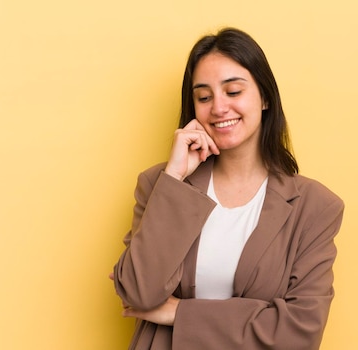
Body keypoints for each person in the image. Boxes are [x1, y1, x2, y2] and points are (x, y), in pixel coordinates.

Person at [111, 27, 344, 350]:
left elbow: (300, 332)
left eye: (233, 92)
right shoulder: (160, 185)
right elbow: (138, 292)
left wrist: (180, 313)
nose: (219, 108)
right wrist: (175, 178)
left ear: (264, 97)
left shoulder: (315, 207)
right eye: (204, 97)